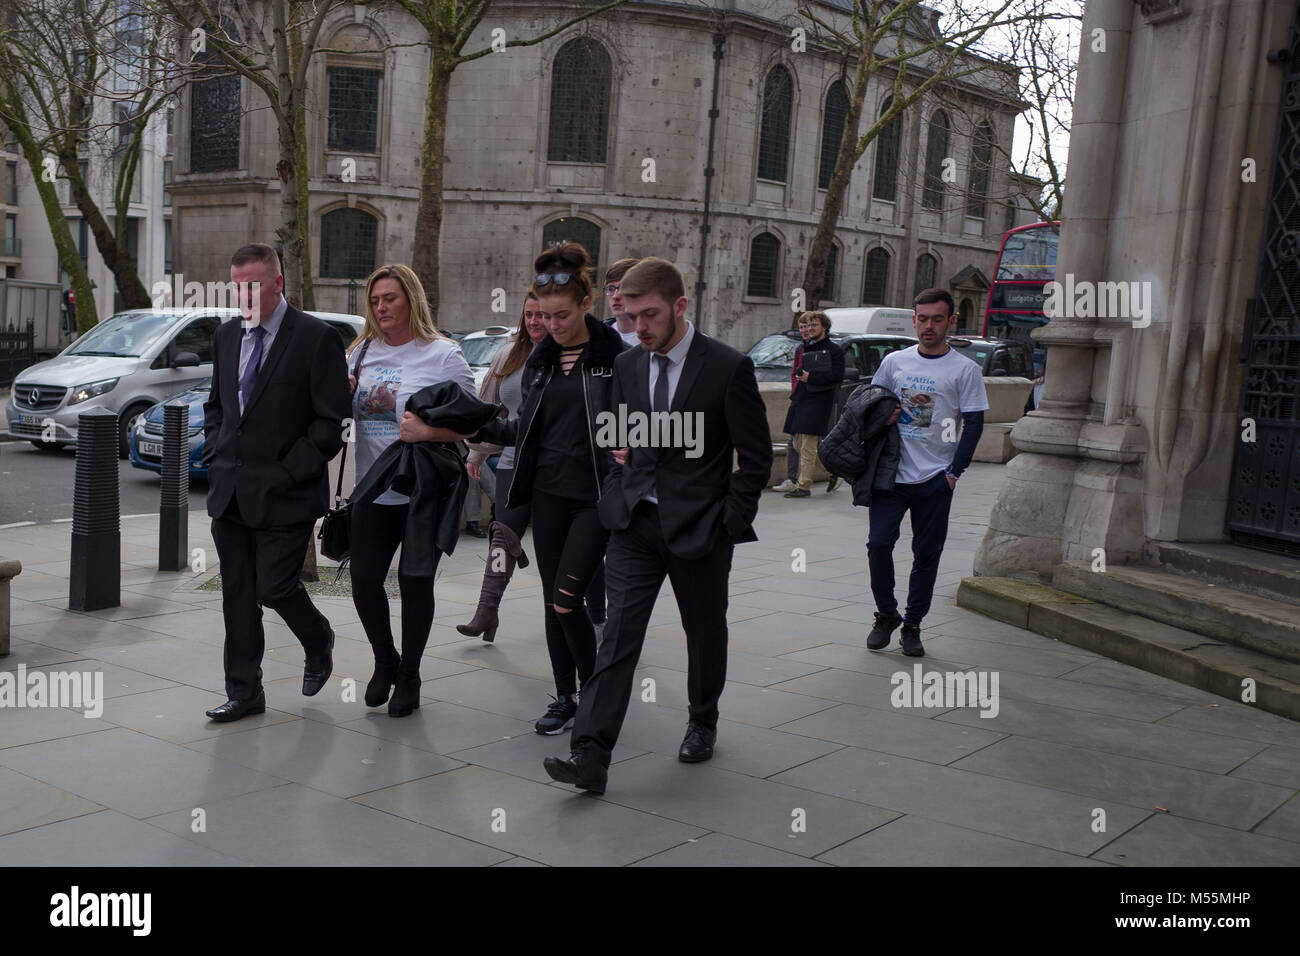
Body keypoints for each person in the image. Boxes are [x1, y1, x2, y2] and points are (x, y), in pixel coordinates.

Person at [542, 257, 772, 794]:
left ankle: (702, 719)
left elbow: (755, 458)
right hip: (635, 526)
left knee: (704, 631)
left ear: (680, 307)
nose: (639, 327)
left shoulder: (727, 367)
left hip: (701, 528)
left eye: (650, 315)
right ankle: (590, 756)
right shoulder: (627, 366)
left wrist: (729, 520)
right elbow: (621, 436)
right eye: (631, 314)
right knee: (617, 639)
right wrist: (622, 482)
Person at [455, 242, 627, 735]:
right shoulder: (540, 361)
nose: (550, 325)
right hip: (547, 494)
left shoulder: (614, 356)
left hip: (595, 495)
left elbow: (635, 424)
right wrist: (474, 427)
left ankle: (595, 695)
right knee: (554, 599)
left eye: (561, 315)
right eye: (544, 316)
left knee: (567, 599)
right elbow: (525, 429)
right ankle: (567, 696)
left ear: (585, 306)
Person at [202, 243, 350, 722]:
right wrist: (214, 451)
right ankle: (245, 692)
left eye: (252, 286)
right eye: (236, 286)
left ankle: (318, 637)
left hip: (287, 494)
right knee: (238, 595)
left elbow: (331, 423)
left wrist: (290, 471)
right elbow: (217, 407)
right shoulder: (226, 336)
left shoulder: (315, 337)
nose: (242, 296)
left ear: (277, 284)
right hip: (230, 492)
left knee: (274, 586)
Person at [346, 264, 476, 716]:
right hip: (373, 488)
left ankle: (410, 674)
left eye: (390, 298)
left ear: (411, 300)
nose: (381, 307)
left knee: (414, 582)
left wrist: (427, 432)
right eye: (375, 300)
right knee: (363, 581)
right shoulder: (361, 352)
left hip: (424, 492)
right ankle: (386, 659)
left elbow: (471, 426)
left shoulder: (443, 356)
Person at [864, 288, 988, 657]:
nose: (928, 326)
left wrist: (953, 473)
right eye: (922, 318)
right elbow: (872, 404)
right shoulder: (895, 361)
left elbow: (975, 422)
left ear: (951, 321)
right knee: (878, 545)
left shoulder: (965, 369)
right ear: (914, 320)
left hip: (935, 479)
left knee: (926, 554)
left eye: (937, 319)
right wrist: (882, 416)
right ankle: (887, 614)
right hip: (891, 475)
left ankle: (913, 625)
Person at [458, 289, 548, 643]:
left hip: (559, 469)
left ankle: (596, 611)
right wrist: (476, 453)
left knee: (569, 544)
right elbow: (490, 407)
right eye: (528, 314)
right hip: (513, 462)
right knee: (502, 534)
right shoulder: (508, 354)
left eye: (541, 313)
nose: (534, 321)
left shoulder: (568, 357)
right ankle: (487, 609)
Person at [782, 310, 845, 498]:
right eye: (807, 326)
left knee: (808, 444)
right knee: (796, 443)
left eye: (814, 325)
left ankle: (803, 486)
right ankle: (832, 472)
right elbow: (797, 372)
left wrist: (812, 377)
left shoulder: (834, 350)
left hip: (819, 400)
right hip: (801, 398)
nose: (809, 329)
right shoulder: (803, 347)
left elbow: (837, 376)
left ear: (824, 327)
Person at [602, 257, 641, 347]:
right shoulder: (597, 335)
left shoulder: (656, 339)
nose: (615, 296)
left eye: (623, 288)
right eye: (611, 289)